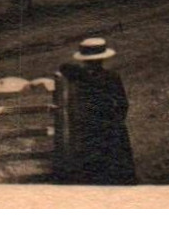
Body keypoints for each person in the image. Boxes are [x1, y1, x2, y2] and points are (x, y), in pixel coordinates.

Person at [58, 37, 137, 184]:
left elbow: (64, 67)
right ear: (102, 59)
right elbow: (122, 103)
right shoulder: (111, 76)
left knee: (93, 166)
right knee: (116, 165)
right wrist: (117, 121)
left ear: (84, 60)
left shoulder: (79, 77)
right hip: (111, 127)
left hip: (89, 127)